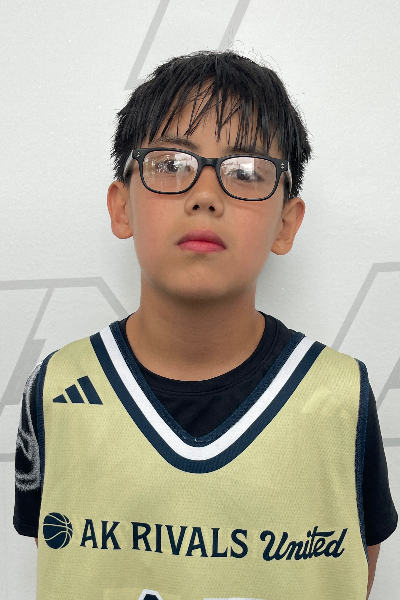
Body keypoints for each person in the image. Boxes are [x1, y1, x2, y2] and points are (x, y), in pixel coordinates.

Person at [14, 50, 397, 600]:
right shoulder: (58, 387)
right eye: (171, 163)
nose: (205, 196)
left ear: (286, 223)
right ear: (122, 207)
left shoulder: (339, 396)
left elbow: (356, 570)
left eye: (245, 171)